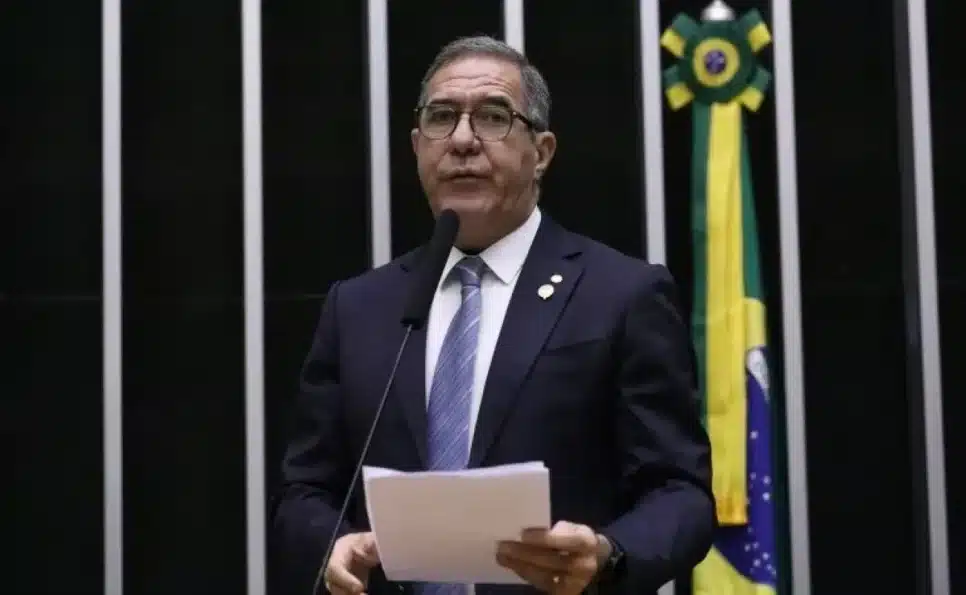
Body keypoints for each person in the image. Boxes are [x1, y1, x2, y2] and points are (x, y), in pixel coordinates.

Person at [271, 35, 714, 595]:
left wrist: (608, 554)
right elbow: (303, 491)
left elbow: (679, 492)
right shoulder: (358, 307)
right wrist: (330, 544)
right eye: (441, 118)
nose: (462, 140)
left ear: (542, 152)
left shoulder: (621, 294)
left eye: (493, 117)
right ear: (417, 147)